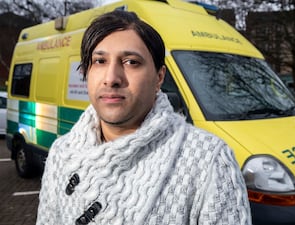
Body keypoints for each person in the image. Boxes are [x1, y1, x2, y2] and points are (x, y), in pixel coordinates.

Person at [36, 10, 252, 225]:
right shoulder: (61, 152)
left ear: (159, 77)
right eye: (100, 61)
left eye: (131, 62)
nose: (111, 78)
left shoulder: (208, 160)